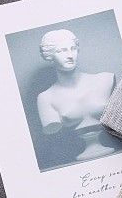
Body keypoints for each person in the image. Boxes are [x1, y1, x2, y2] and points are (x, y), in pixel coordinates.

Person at [36, 29, 115, 161]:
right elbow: (51, 127)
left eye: (72, 49)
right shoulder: (46, 98)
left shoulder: (106, 80)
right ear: (49, 56)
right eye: (61, 51)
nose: (70, 55)